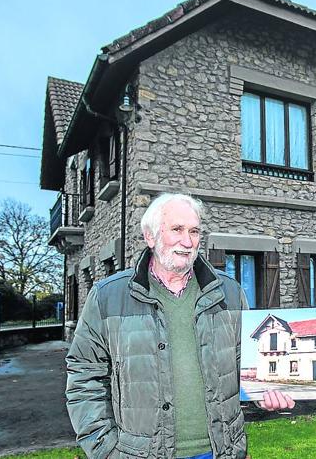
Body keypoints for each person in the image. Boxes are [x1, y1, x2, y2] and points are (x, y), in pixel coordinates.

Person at [66, 193, 294, 459]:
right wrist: (105, 449)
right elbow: (84, 378)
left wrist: (266, 392)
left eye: (194, 231)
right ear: (150, 236)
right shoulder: (107, 296)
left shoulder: (229, 292)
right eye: (177, 229)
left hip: (220, 451)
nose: (187, 241)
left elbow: (246, 364)